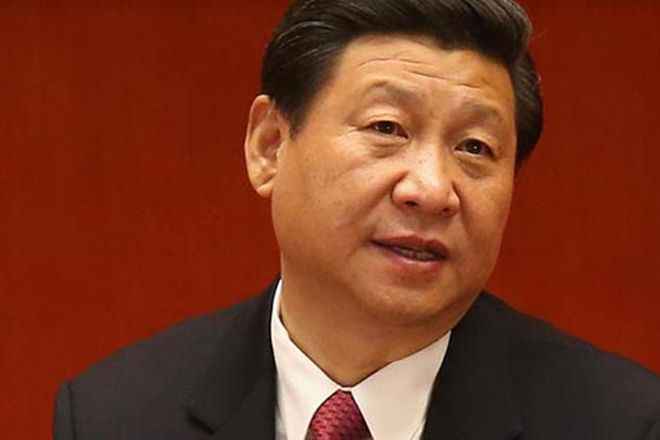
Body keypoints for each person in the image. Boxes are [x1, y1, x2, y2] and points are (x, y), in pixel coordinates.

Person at [54, 0, 660, 439]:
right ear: (269, 146)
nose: (431, 189)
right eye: (387, 128)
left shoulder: (621, 423)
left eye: (474, 147)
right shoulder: (116, 416)